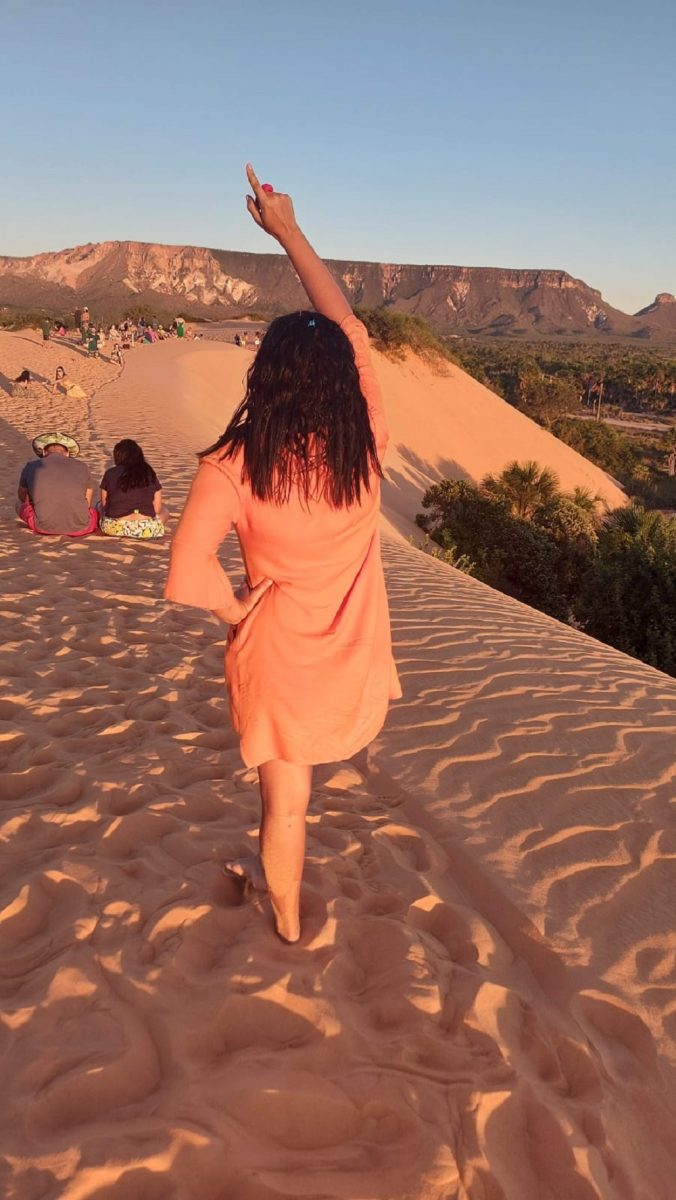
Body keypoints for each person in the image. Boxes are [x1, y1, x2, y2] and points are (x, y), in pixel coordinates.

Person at [164, 164, 401, 944]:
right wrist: (289, 231)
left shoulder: (232, 464)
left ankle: (290, 924)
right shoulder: (365, 445)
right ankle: (287, 913)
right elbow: (353, 332)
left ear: (262, 377)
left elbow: (186, 571)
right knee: (304, 794)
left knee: (286, 806)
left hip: (275, 665)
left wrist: (234, 608)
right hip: (351, 664)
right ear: (340, 382)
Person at [16, 433, 98, 536]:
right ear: (67, 453)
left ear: (45, 452)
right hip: (82, 527)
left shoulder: (31, 466)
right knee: (95, 511)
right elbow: (88, 502)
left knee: (19, 505)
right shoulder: (82, 466)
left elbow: (22, 496)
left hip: (43, 527)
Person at [99, 439, 168, 538]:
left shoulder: (110, 473)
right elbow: (157, 509)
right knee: (165, 511)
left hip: (114, 528)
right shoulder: (148, 472)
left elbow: (105, 505)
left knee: (98, 506)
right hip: (146, 529)